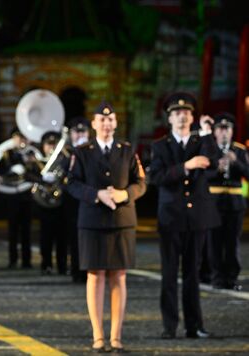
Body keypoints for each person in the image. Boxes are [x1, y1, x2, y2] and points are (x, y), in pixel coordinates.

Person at [67, 101, 146, 352]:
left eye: (111, 119)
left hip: (121, 220)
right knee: (95, 274)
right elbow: (72, 184)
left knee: (119, 275)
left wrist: (125, 194)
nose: (107, 123)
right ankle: (98, 336)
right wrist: (96, 194)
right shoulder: (82, 152)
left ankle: (116, 336)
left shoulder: (126, 149)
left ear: (116, 123)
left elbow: (141, 182)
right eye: (102, 119)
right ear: (94, 124)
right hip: (92, 220)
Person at [148, 92, 220, 340]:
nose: (182, 117)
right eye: (177, 113)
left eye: (186, 113)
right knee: (169, 274)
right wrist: (186, 166)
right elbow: (155, 177)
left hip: (197, 217)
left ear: (193, 117)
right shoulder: (160, 146)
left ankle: (194, 325)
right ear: (169, 119)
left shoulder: (201, 142)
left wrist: (209, 133)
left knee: (193, 274)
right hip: (171, 218)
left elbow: (216, 161)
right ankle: (169, 326)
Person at [207, 112, 249, 291]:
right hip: (214, 202)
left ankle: (231, 278)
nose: (224, 133)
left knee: (232, 242)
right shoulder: (209, 149)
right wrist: (217, 169)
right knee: (214, 242)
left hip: (234, 203)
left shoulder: (239, 150)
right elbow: (202, 176)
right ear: (215, 132)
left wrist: (236, 162)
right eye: (220, 129)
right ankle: (216, 277)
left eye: (227, 129)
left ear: (232, 132)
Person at [0, 127, 38, 269]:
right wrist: (11, 170)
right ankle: (13, 260)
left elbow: (37, 173)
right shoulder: (7, 153)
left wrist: (28, 165)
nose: (20, 141)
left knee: (26, 230)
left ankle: (27, 261)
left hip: (26, 195)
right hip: (12, 194)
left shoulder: (31, 153)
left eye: (23, 137)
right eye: (18, 137)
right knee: (13, 230)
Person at [63, 116, 90, 283]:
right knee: (73, 237)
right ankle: (75, 271)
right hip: (71, 200)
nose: (79, 135)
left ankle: (89, 270)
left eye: (83, 131)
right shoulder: (65, 152)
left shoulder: (93, 151)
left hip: (88, 199)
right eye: (76, 131)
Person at [37, 130, 67, 275]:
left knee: (62, 236)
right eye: (48, 144)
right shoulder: (38, 161)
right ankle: (46, 264)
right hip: (44, 204)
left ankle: (62, 265)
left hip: (60, 203)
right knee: (45, 236)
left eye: (54, 144)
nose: (51, 148)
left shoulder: (63, 161)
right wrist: (40, 178)